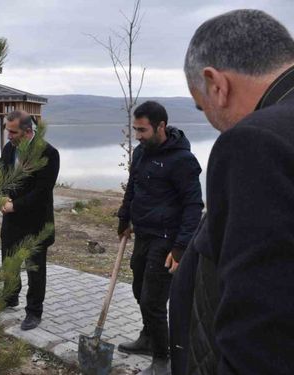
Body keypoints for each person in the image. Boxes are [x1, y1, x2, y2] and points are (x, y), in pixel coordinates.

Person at [171, 9, 294, 375]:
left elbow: (262, 330)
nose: (210, 118)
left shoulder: (258, 141)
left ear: (216, 84)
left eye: (201, 105)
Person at [116, 101, 203, 375]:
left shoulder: (183, 161)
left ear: (161, 126)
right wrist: (123, 217)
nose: (138, 136)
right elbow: (133, 186)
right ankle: (148, 336)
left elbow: (193, 206)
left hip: (167, 238)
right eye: (135, 129)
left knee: (153, 300)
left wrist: (180, 247)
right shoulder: (141, 152)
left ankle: (162, 360)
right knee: (139, 290)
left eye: (142, 130)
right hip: (144, 233)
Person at [0, 110, 60, 331]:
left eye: (13, 132)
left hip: (36, 222)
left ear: (27, 132)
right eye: (7, 130)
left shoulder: (48, 153)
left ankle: (34, 311)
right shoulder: (9, 149)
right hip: (11, 220)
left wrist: (15, 205)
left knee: (35, 269)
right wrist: (1, 196)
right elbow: (2, 176)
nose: (9, 136)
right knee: (9, 261)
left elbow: (42, 191)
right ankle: (10, 296)